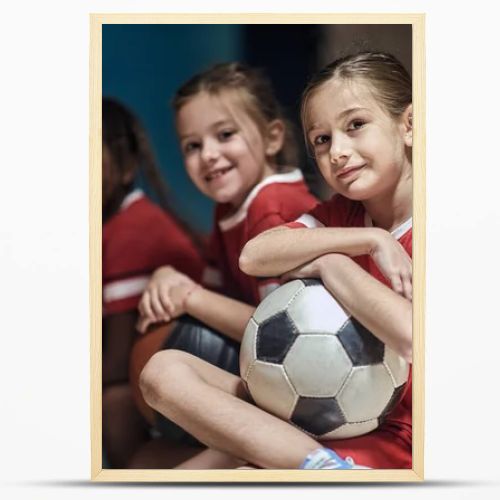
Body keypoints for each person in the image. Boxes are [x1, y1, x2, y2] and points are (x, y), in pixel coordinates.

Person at [139, 52, 413, 470]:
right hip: (312, 402)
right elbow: (256, 255)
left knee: (217, 471)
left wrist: (331, 263)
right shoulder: (342, 214)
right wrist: (363, 242)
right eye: (322, 140)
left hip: (394, 430)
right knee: (163, 372)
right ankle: (316, 465)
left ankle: (323, 469)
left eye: (355, 125)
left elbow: (413, 335)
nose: (338, 151)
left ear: (409, 125)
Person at [134, 62, 318, 467]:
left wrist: (192, 299)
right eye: (192, 145)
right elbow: (218, 293)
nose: (209, 155)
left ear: (272, 137)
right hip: (277, 370)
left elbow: (279, 331)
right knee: (145, 459)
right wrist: (173, 279)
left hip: (310, 378)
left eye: (225, 135)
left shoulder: (273, 210)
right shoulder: (229, 208)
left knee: (176, 469)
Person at [101, 97, 204, 467]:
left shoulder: (133, 231)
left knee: (112, 397)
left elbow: (113, 362)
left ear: (127, 166)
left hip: (197, 367)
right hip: (164, 369)